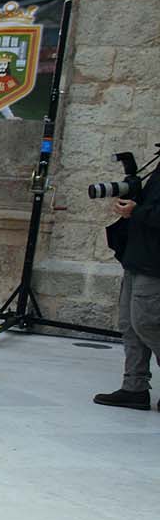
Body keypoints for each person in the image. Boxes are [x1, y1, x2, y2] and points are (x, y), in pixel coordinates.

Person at [96, 176, 160, 411]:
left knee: (147, 322)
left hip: (155, 263)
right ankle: (134, 387)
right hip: (137, 255)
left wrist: (138, 211)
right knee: (129, 325)